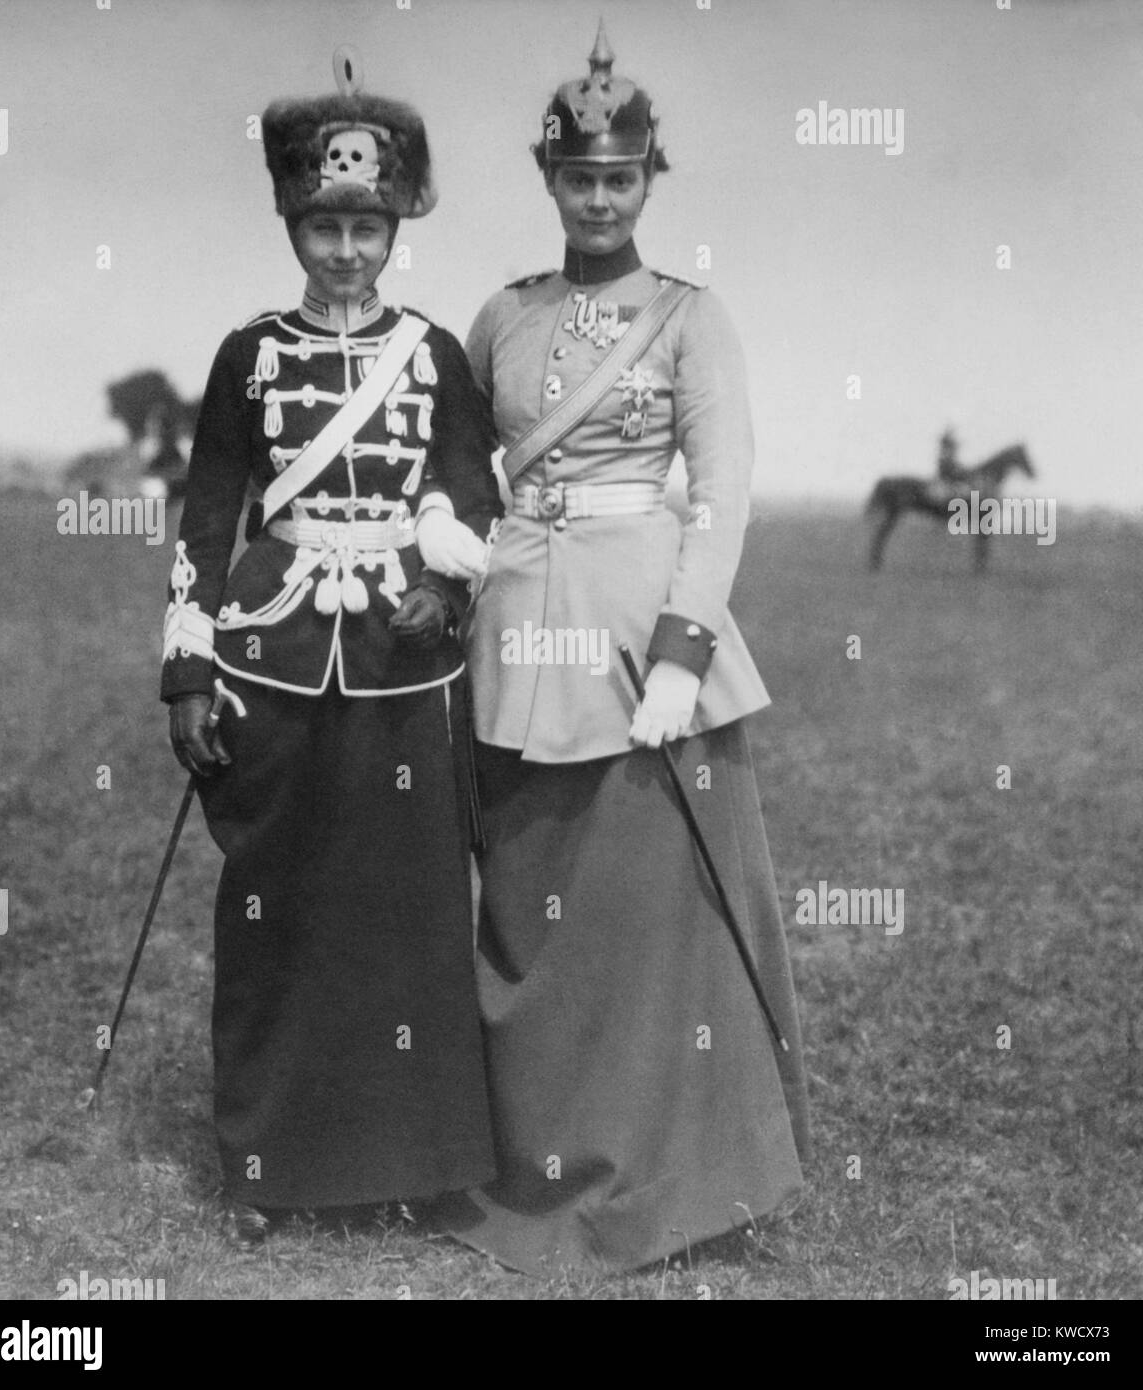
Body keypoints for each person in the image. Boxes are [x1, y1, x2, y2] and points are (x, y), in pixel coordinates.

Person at [431, 24, 810, 1275]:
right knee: (530, 913)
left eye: (623, 178)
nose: (599, 198)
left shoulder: (694, 319)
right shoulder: (502, 313)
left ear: (650, 182)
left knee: (650, 921)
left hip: (641, 627)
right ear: (549, 181)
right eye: (579, 177)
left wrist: (683, 655)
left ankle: (679, 1183)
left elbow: (725, 491)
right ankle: (531, 1157)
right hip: (516, 629)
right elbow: (457, 469)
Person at [160, 52, 501, 1244]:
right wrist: (189, 668)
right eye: (322, 224)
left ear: (397, 222)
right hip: (273, 656)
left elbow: (474, 498)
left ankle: (417, 1161)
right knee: (275, 902)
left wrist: (445, 598)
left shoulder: (436, 354)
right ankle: (270, 1163)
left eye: (366, 225)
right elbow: (208, 516)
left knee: (407, 908)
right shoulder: (247, 354)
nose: (346, 249)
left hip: (406, 663)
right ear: (291, 220)